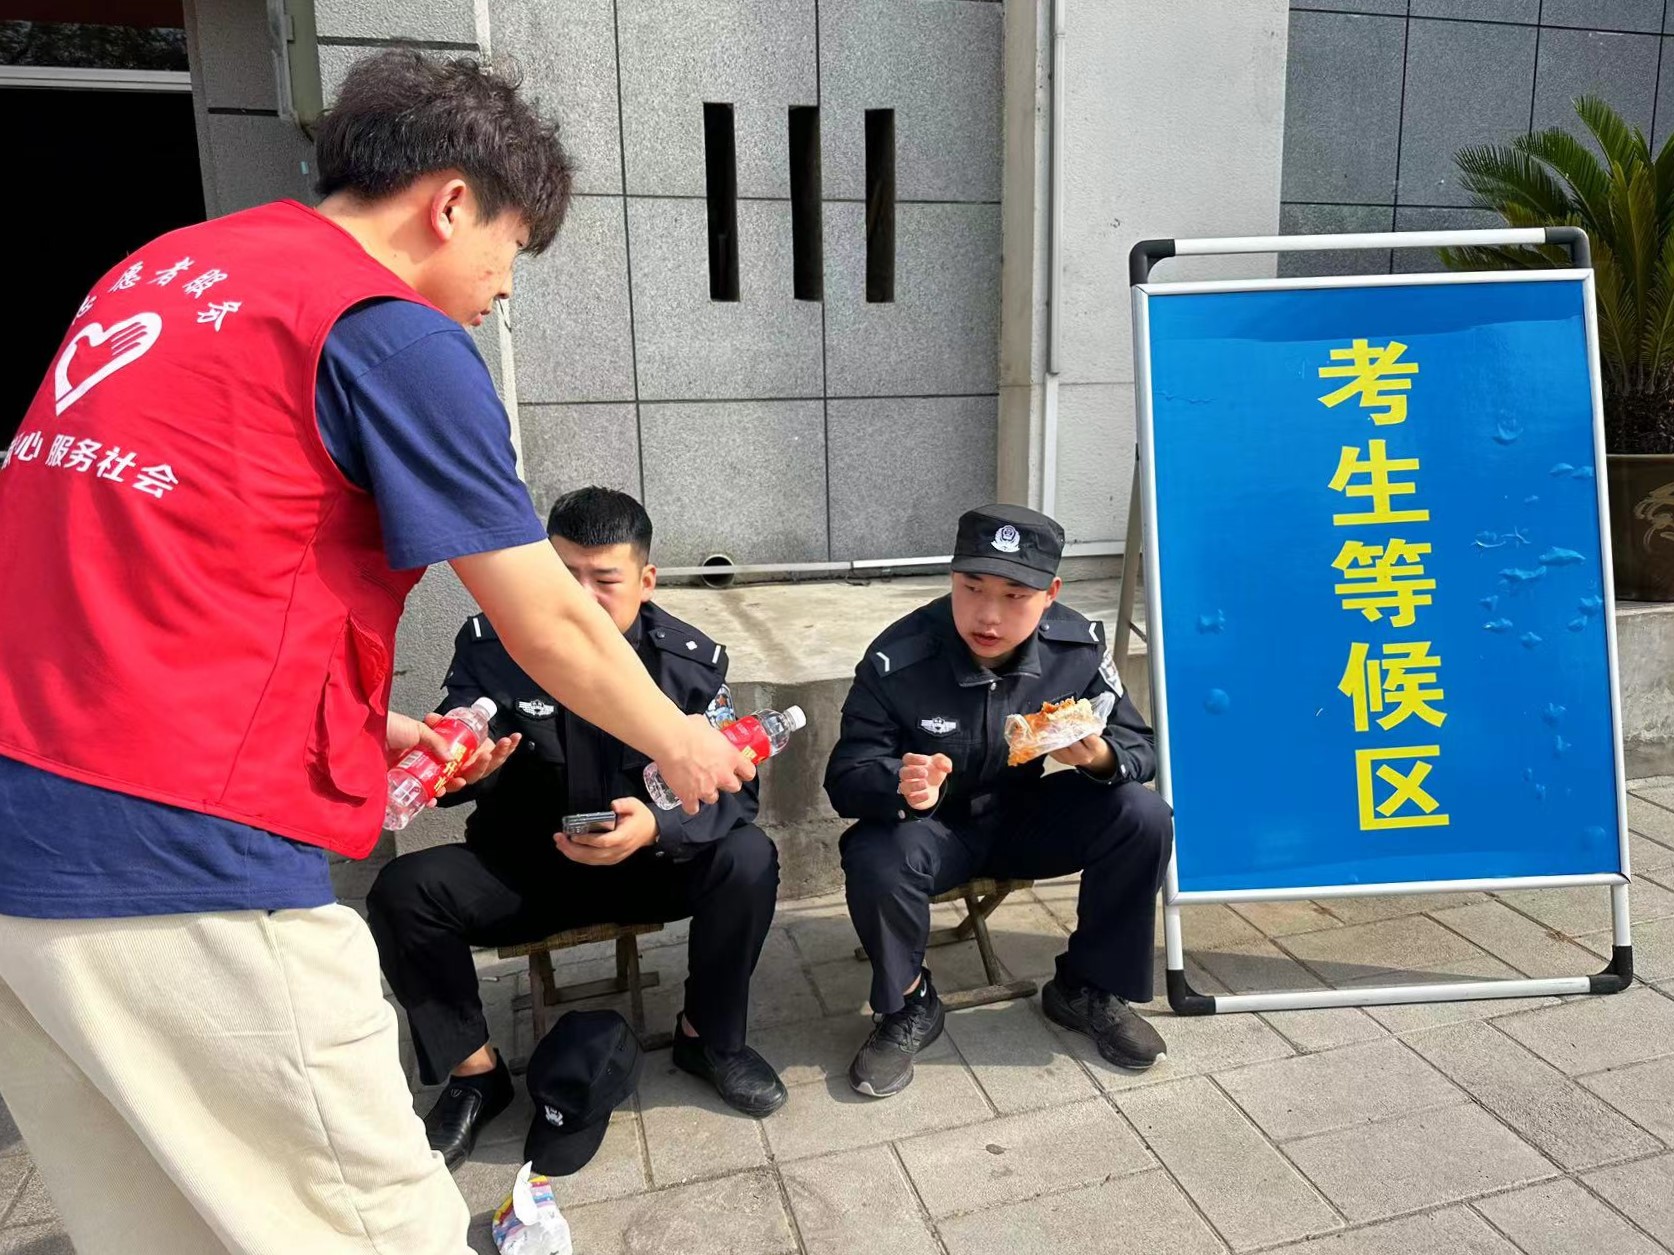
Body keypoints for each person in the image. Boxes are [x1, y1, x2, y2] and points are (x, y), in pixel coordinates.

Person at [0, 51, 751, 1255]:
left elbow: (155, 567)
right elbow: (547, 617)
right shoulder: (384, 330)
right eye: (510, 249)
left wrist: (357, 719)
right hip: (178, 850)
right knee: (373, 1223)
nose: (500, 290)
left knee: (155, 1220)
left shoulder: (163, 271)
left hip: (25, 832)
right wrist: (682, 742)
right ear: (451, 203)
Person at [369, 487, 788, 1170]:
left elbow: (736, 792)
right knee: (403, 889)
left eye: (605, 579)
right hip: (526, 870)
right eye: (566, 577)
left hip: (648, 868)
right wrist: (464, 768)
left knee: (748, 856)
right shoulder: (493, 645)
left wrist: (657, 824)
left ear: (646, 581)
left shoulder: (689, 663)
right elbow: (460, 744)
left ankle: (709, 1037)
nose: (583, 598)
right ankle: (474, 1075)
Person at [825, 505, 1173, 1098]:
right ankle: (909, 1004)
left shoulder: (1077, 648)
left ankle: (1086, 988)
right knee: (875, 853)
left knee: (1143, 816)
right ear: (952, 579)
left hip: (1023, 817)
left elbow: (1141, 746)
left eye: (1015, 596)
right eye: (972, 587)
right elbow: (847, 775)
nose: (988, 615)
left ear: (1050, 594)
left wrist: (1100, 758)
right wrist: (902, 782)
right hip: (932, 829)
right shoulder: (899, 657)